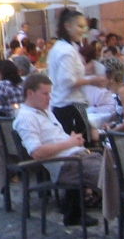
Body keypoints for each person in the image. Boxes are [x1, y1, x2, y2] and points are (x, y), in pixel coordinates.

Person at [12, 73, 102, 226]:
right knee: (115, 177)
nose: (49, 98)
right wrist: (70, 143)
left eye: (50, 93)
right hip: (67, 165)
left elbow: (56, 138)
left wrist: (72, 140)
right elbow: (37, 152)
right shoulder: (26, 117)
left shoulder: (45, 111)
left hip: (77, 158)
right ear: (30, 93)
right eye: (45, 93)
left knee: (120, 170)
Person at [46, 8, 106, 135]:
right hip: (71, 106)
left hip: (64, 104)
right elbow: (67, 81)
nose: (83, 31)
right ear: (67, 26)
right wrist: (91, 80)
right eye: (80, 26)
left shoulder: (63, 47)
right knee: (81, 143)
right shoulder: (66, 50)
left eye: (85, 27)